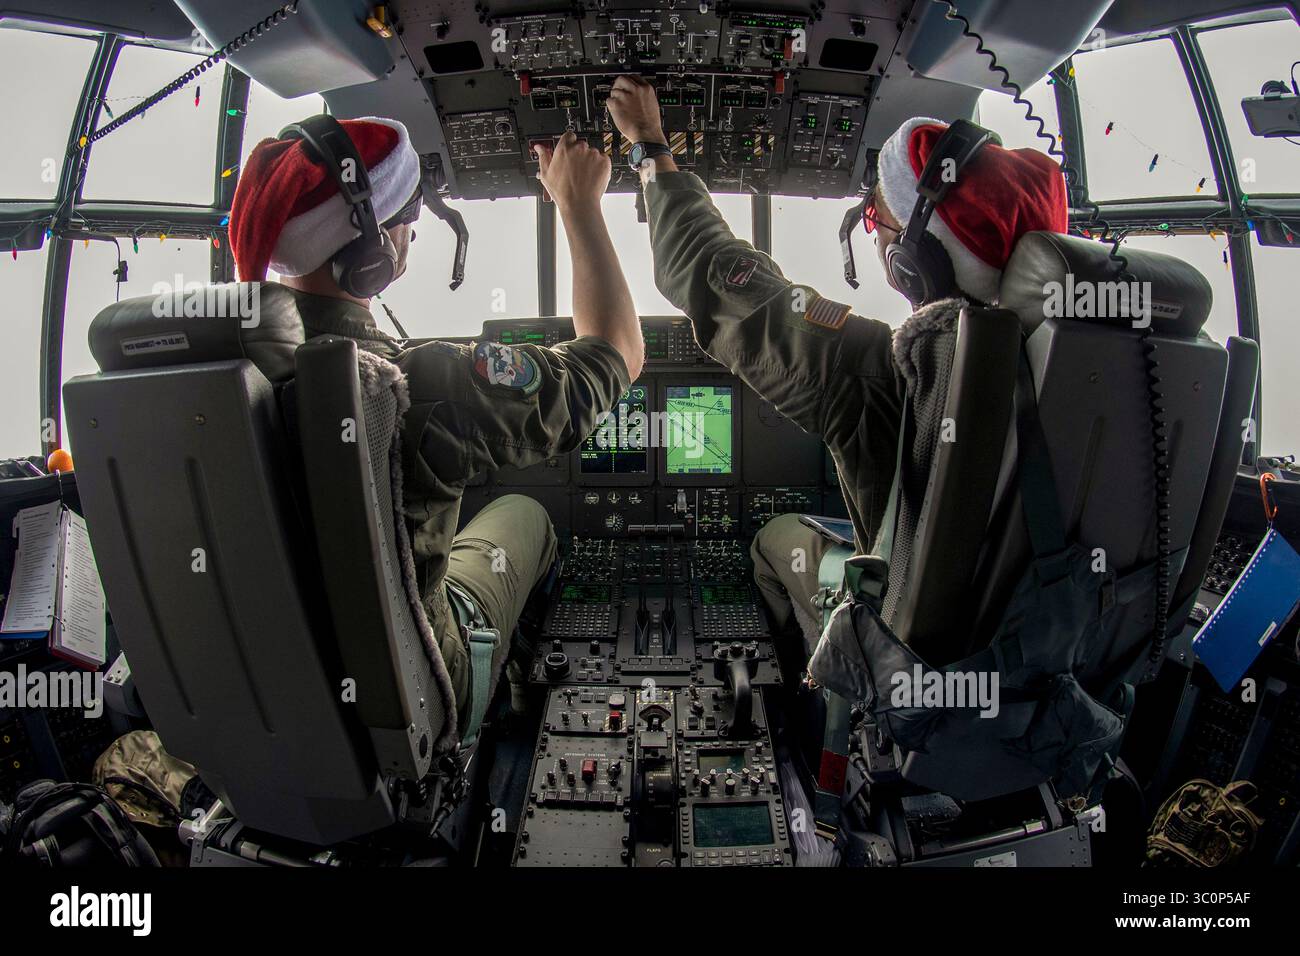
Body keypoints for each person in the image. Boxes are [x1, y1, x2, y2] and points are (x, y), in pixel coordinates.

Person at [604, 77, 1067, 652]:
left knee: (776, 535)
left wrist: (648, 144)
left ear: (913, 263)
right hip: (1051, 670)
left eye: (877, 221)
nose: (875, 237)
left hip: (910, 661)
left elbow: (707, 272)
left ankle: (823, 701)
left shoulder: (894, 375)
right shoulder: (1101, 368)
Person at [228, 117, 643, 736]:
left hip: (263, 697)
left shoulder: (227, 372)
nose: (407, 239)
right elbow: (617, 351)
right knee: (527, 514)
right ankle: (512, 715)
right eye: (406, 226)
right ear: (370, 255)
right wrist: (577, 202)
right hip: (422, 685)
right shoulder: (407, 386)